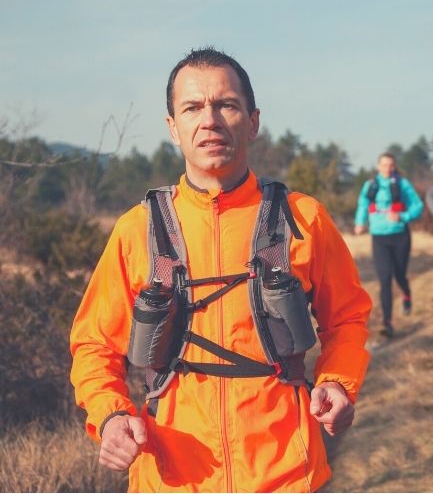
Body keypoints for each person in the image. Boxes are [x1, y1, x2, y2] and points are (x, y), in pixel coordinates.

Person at [69, 47, 372, 492]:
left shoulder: (302, 218)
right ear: (173, 127)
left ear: (253, 121)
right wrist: (111, 415)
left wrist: (339, 383)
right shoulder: (139, 230)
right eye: (192, 107)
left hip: (286, 474)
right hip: (171, 479)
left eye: (226, 104)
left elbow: (347, 317)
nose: (209, 119)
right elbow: (93, 344)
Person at [354, 153, 423, 338]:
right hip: (379, 237)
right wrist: (360, 223)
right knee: (385, 280)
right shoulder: (371, 185)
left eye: (391, 165)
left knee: (399, 275)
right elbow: (363, 204)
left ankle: (406, 294)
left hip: (400, 235)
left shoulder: (402, 184)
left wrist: (403, 216)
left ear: (394, 167)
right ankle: (388, 323)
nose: (387, 168)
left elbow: (417, 206)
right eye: (384, 165)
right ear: (378, 166)